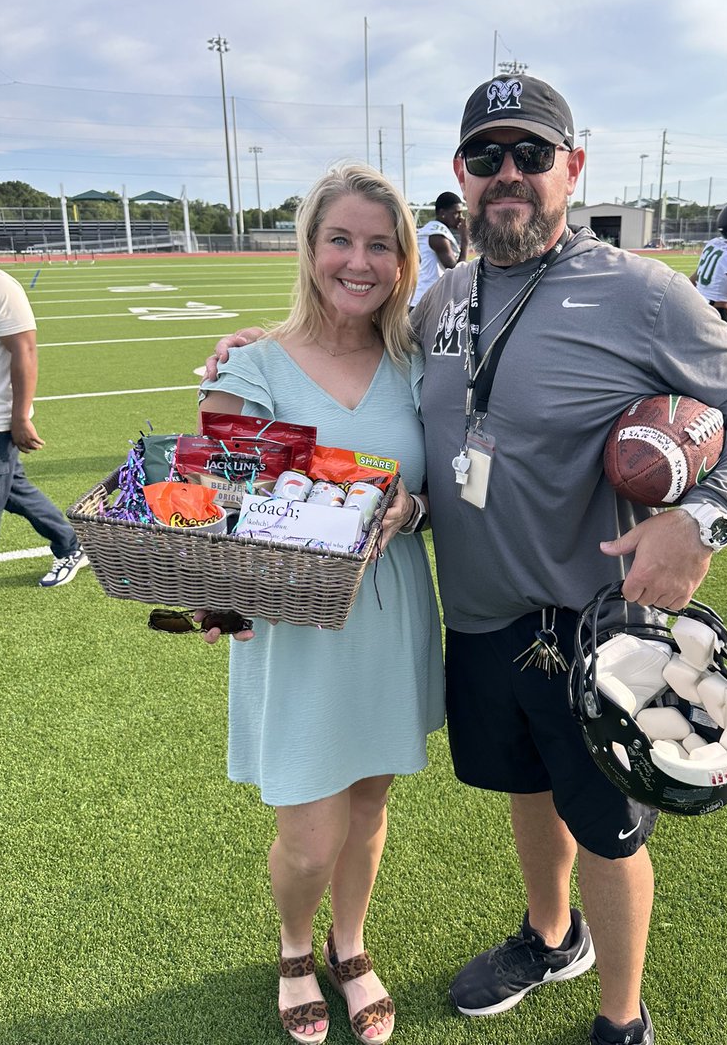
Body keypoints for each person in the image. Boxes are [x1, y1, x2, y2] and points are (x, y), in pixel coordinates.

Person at [207, 76, 727, 1045]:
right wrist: (257, 350)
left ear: (573, 168)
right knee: (527, 790)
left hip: (589, 619)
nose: (508, 175)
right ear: (461, 177)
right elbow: (376, 393)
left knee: (608, 828)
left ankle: (621, 1019)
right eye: (488, 157)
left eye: (532, 154)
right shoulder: (438, 300)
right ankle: (550, 935)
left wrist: (701, 522)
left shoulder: (641, 293)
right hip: (478, 617)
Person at [199, 163, 444, 1044]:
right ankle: (294, 948)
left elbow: (434, 488)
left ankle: (350, 946)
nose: (359, 260)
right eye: (339, 238)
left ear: (404, 261)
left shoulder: (415, 366)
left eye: (381, 245)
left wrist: (410, 507)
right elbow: (212, 493)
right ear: (308, 249)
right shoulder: (253, 364)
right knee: (308, 834)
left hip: (388, 615)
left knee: (370, 806)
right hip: (295, 625)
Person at [0, 266, 88, 586]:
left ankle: (71, 546)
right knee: (13, 490)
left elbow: (25, 350)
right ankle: (70, 544)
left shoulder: (1, 287)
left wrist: (20, 418)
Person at [411, 190, 468, 305]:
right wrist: (465, 240)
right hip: (425, 300)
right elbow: (457, 272)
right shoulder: (438, 236)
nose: (460, 218)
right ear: (442, 213)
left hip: (420, 297)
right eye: (456, 213)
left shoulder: (431, 230)